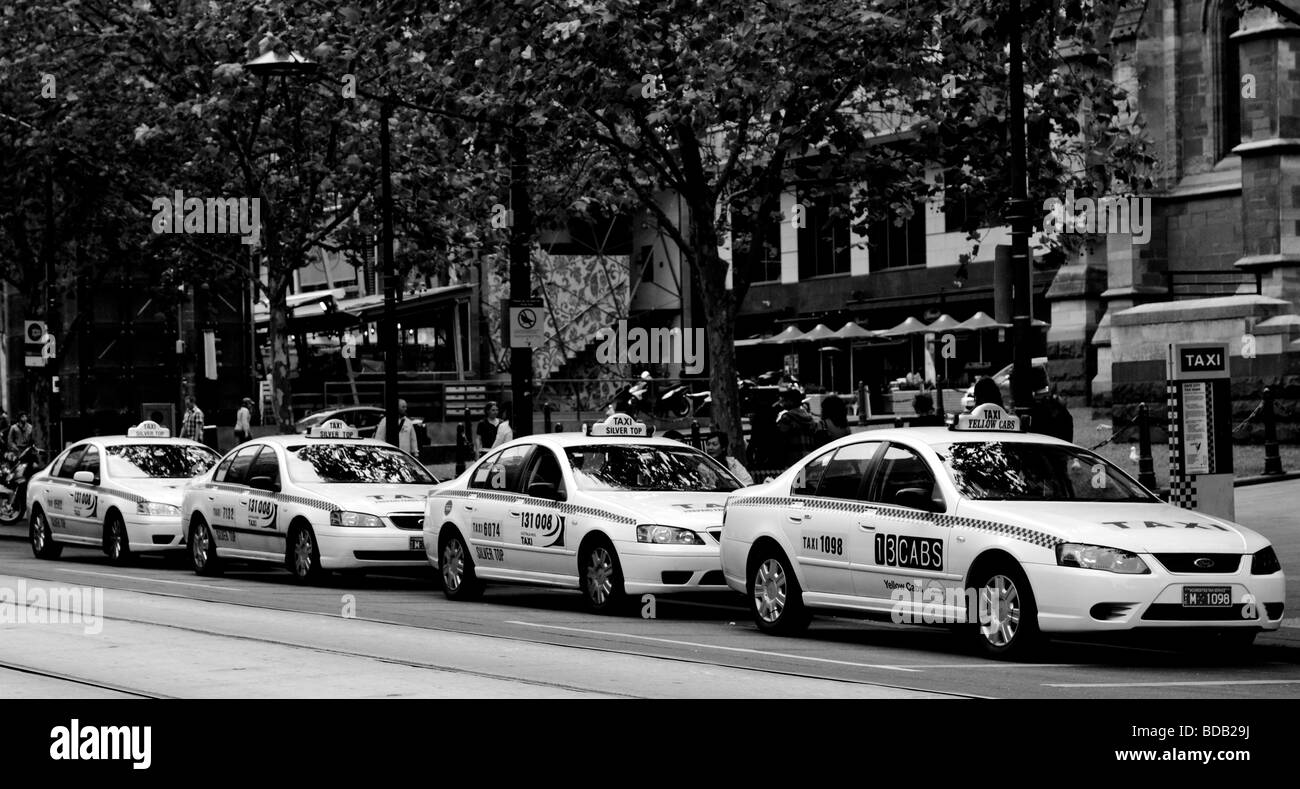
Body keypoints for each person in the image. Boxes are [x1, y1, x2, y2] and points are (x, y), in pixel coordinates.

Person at [775, 386, 818, 467]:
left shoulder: (787, 417)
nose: (783, 403)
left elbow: (779, 436)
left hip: (794, 458)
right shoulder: (809, 417)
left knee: (796, 479)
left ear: (791, 401)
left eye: (785, 401)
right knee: (803, 478)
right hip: (808, 456)